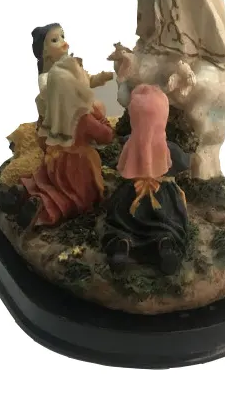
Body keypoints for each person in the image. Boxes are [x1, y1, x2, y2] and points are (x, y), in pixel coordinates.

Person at [15, 55, 115, 228]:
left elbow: (42, 139)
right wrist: (101, 118)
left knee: (46, 183)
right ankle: (44, 206)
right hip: (78, 167)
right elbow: (106, 136)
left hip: (54, 163)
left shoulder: (52, 113)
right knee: (75, 198)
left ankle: (23, 193)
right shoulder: (83, 118)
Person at [102, 84, 190, 275]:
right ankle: (165, 242)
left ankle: (121, 243)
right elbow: (184, 162)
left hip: (131, 194)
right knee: (169, 222)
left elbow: (119, 165)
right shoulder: (170, 149)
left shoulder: (129, 144)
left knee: (119, 221)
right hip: (162, 197)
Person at [29, 23, 113, 150]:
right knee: (93, 123)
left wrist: (101, 77)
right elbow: (53, 95)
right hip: (64, 116)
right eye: (55, 40)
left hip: (77, 108)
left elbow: (86, 80)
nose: (63, 42)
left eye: (62, 36)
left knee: (98, 106)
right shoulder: (47, 77)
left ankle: (91, 137)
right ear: (45, 52)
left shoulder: (70, 66)